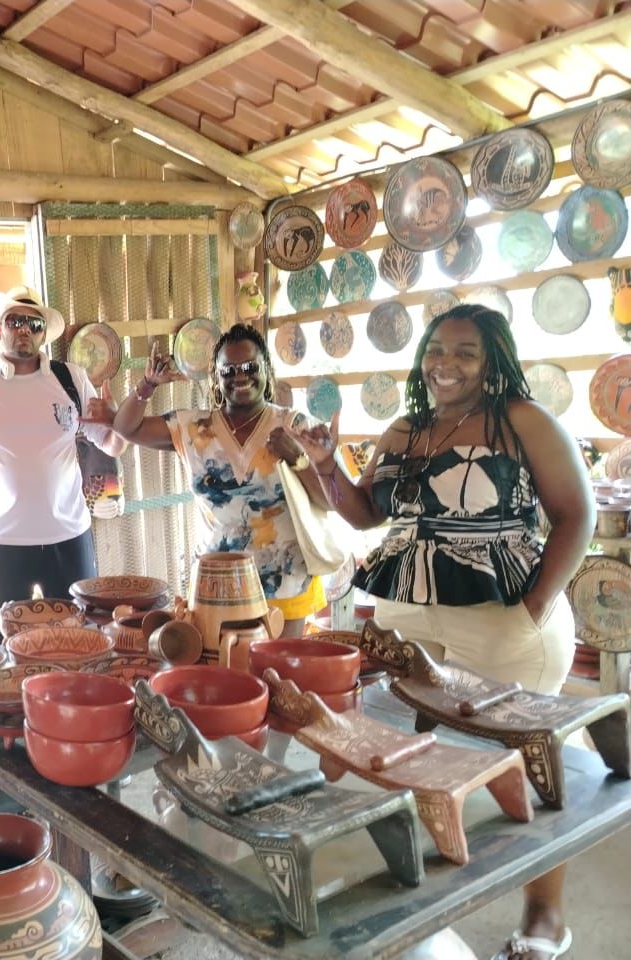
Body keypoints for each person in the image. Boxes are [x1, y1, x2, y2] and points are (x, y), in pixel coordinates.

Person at [293, 304, 593, 960]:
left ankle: (544, 915)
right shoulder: (407, 428)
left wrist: (537, 605)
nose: (445, 364)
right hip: (412, 618)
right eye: (437, 349)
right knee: (415, 762)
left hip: (507, 623)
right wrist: (323, 466)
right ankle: (429, 906)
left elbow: (578, 514)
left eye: (465, 352)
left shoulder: (524, 422)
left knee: (527, 766)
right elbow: (367, 512)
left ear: (493, 364)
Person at [0, 286, 126, 645]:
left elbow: (109, 443)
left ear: (43, 333)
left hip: (67, 536)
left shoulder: (71, 379)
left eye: (34, 323)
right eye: (15, 321)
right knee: (1, 648)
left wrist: (118, 423)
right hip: (0, 540)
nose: (24, 330)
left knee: (77, 645)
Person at [111, 323, 331, 635]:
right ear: (216, 377)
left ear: (267, 369)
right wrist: (147, 385)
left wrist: (298, 458)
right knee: (225, 678)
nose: (240, 376)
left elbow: (329, 501)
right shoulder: (192, 427)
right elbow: (125, 428)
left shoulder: (294, 425)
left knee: (280, 678)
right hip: (217, 587)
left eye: (250, 366)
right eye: (228, 370)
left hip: (284, 580)